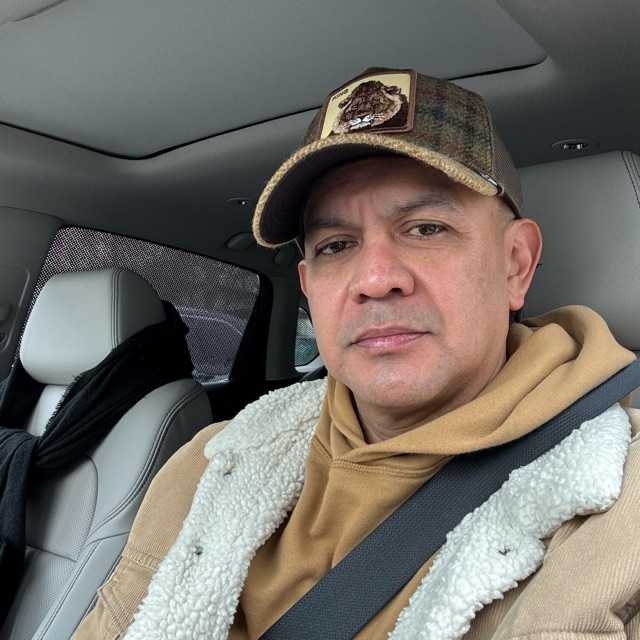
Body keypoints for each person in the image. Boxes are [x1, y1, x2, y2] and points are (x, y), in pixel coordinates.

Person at [74, 68, 640, 640]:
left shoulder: (620, 505)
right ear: (308, 288)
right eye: (337, 245)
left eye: (426, 228)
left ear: (516, 264)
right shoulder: (210, 463)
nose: (374, 279)